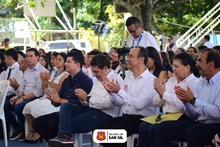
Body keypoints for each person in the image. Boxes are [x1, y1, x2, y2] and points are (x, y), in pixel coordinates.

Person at [47, 54, 124, 147]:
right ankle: (64, 137)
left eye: (96, 72)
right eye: (93, 72)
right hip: (91, 110)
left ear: (106, 68)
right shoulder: (97, 80)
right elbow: (88, 102)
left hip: (105, 115)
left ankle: (64, 137)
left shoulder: (115, 80)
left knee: (62, 124)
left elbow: (107, 104)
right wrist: (82, 98)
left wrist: (88, 98)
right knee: (66, 106)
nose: (94, 75)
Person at [152, 49, 220, 147]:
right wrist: (186, 103)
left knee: (193, 131)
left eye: (199, 60)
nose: (196, 64)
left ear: (211, 64)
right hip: (199, 122)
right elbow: (195, 115)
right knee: (162, 128)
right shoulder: (202, 83)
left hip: (215, 125)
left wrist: (193, 100)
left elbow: (217, 113)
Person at [95, 46, 157, 147]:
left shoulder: (151, 80)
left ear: (141, 60)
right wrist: (111, 92)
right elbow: (120, 102)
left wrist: (119, 91)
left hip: (142, 119)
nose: (127, 59)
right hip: (126, 117)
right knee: (99, 130)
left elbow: (139, 104)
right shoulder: (129, 76)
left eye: (130, 56)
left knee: (111, 135)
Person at [138, 53, 200, 147]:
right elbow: (156, 103)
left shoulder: (193, 82)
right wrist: (160, 94)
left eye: (176, 66)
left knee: (155, 128)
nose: (173, 69)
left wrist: (164, 94)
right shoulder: (171, 81)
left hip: (183, 117)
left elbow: (181, 105)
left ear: (187, 67)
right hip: (166, 116)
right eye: (172, 66)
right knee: (143, 126)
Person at [32, 50, 93, 142]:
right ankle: (57, 143)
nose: (65, 64)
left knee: (53, 123)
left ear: (77, 64)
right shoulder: (67, 80)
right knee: (37, 122)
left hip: (79, 112)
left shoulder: (86, 80)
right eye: (66, 61)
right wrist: (53, 98)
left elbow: (83, 103)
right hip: (64, 111)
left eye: (68, 62)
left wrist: (59, 100)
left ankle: (63, 141)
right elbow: (58, 100)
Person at [22, 52, 69, 143]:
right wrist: (43, 80)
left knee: (35, 108)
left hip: (54, 99)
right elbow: (45, 88)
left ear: (64, 62)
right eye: (56, 59)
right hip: (46, 96)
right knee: (28, 106)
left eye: (60, 60)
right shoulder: (54, 72)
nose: (56, 61)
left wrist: (48, 79)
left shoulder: (65, 75)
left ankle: (39, 133)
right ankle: (32, 130)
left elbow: (59, 89)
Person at [4, 48, 48, 140]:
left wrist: (23, 98)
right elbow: (23, 87)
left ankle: (28, 130)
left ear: (37, 57)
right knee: (6, 105)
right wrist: (18, 96)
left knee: (18, 106)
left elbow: (38, 92)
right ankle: (18, 128)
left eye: (31, 56)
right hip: (25, 96)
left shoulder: (42, 71)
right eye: (27, 56)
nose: (28, 58)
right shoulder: (27, 70)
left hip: (35, 97)